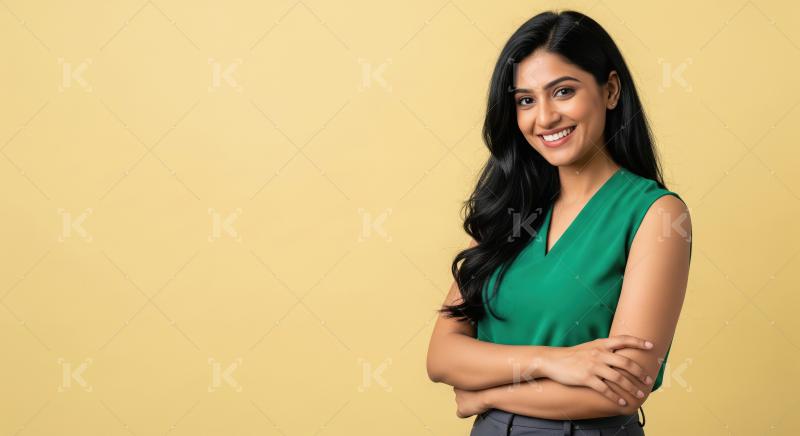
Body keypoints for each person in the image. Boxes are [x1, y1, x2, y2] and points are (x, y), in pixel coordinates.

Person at [425, 9, 692, 436]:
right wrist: (552, 361)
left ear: (610, 90)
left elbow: (620, 389)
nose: (544, 118)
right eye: (526, 100)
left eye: (563, 91)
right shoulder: (509, 208)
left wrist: (487, 393)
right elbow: (442, 357)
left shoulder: (656, 215)